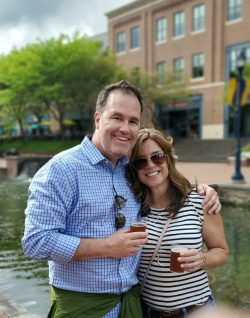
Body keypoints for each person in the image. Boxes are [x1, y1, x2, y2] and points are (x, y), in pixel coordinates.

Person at [22, 80, 221, 318]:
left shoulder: (133, 170)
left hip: (134, 306)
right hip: (83, 308)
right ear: (98, 119)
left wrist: (203, 191)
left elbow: (162, 180)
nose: (125, 128)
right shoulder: (60, 170)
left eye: (133, 121)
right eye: (117, 117)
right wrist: (107, 246)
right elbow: (35, 241)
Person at [128, 128, 229, 318]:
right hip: (150, 312)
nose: (150, 165)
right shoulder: (133, 208)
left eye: (156, 157)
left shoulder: (200, 201)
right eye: (141, 161)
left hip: (196, 311)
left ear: (168, 158)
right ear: (135, 169)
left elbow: (222, 251)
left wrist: (202, 259)